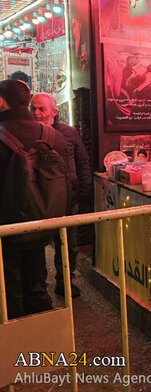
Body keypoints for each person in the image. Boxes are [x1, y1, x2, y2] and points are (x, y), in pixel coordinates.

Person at [0, 80, 70, 319]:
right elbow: (69, 180)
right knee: (37, 278)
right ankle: (42, 339)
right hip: (43, 223)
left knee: (8, 286)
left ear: (1, 102)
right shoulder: (54, 136)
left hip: (6, 227)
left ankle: (14, 342)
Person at [30, 93, 91, 298]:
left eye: (41, 109)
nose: (37, 113)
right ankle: (39, 288)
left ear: (54, 112)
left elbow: (82, 163)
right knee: (37, 246)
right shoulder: (28, 133)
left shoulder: (69, 133)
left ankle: (64, 282)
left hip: (68, 199)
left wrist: (84, 192)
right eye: (34, 109)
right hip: (38, 200)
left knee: (69, 244)